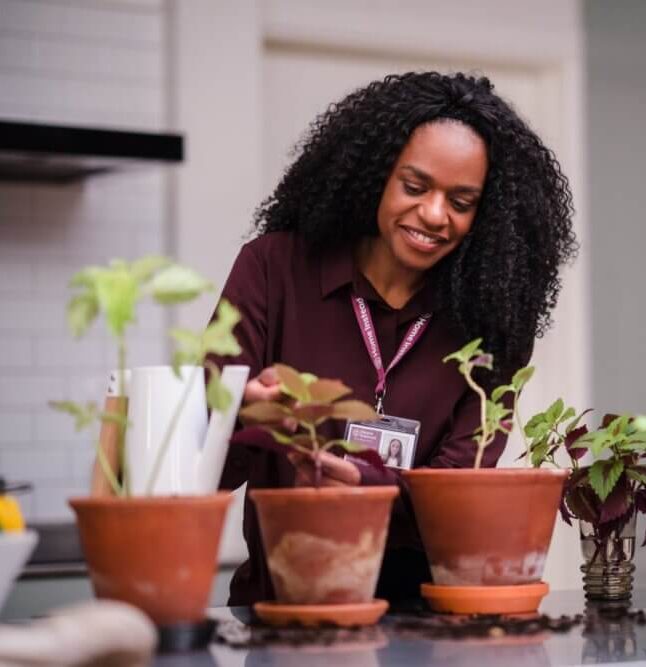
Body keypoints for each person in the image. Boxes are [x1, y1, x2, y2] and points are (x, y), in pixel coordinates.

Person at [213, 71, 577, 606]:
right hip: (285, 609)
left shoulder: (495, 315)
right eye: (415, 186)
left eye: (462, 201)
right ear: (375, 174)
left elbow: (460, 486)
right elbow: (200, 471)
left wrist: (367, 489)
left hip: (426, 620)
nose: (434, 215)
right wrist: (242, 414)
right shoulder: (273, 269)